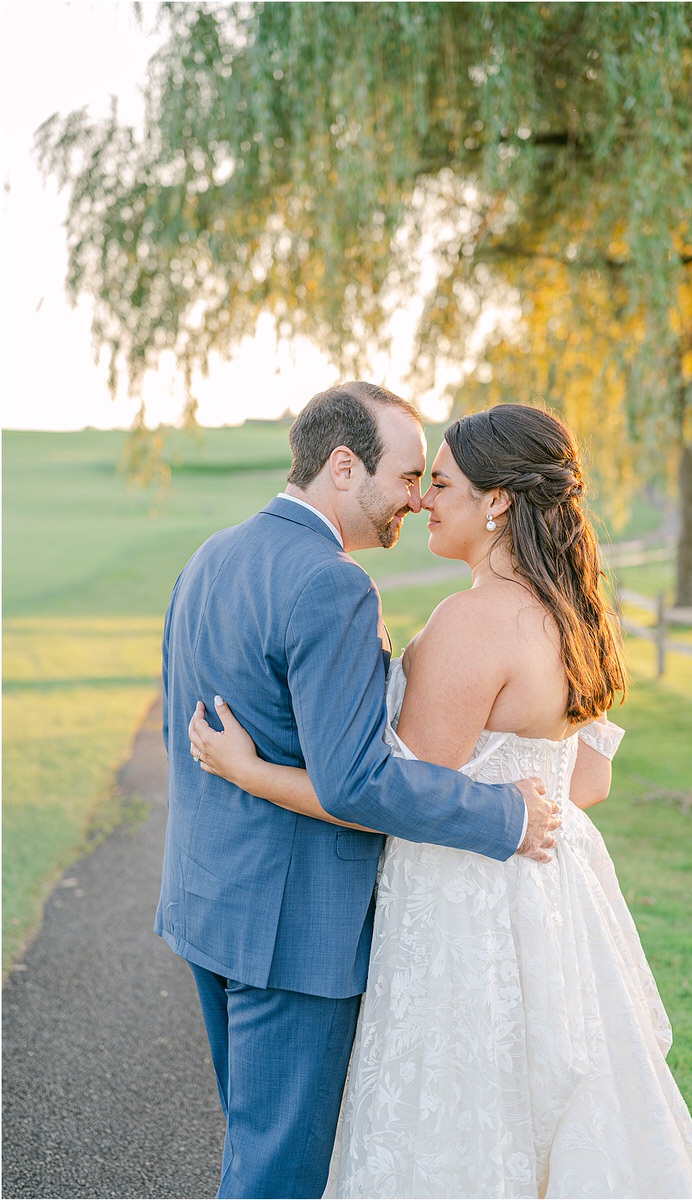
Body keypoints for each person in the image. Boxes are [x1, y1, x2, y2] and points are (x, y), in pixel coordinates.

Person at [189, 403, 692, 1199]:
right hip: (558, 903)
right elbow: (586, 783)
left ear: (497, 501)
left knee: (458, 1115)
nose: (422, 501)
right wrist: (523, 814)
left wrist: (247, 771)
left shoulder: (470, 623)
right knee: (557, 1106)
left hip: (462, 901)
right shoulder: (573, 615)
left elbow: (377, 797)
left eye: (438, 483)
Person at [155, 382, 560, 1200]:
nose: (414, 499)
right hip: (291, 931)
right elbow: (359, 780)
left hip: (208, 905)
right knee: (279, 1176)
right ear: (344, 467)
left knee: (253, 1144)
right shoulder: (331, 584)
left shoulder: (212, 554)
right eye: (408, 476)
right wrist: (505, 813)